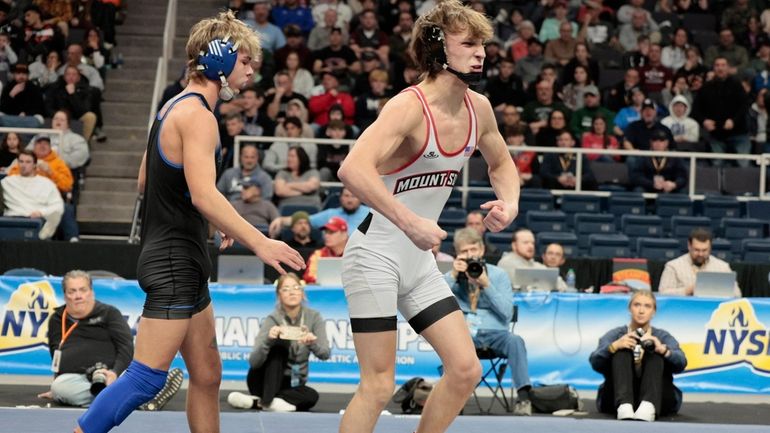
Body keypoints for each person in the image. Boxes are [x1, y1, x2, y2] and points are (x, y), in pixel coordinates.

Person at [74, 12, 305, 433]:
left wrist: (204, 219)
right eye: (246, 60)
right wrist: (259, 242)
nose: (252, 69)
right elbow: (203, 194)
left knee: (207, 375)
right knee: (146, 378)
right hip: (175, 261)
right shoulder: (199, 116)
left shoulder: (174, 106)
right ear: (219, 59)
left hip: (183, 257)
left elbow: (149, 178)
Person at [336, 1, 520, 431]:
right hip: (374, 255)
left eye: (483, 45)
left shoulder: (480, 109)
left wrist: (509, 203)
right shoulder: (409, 107)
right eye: (469, 43)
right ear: (438, 49)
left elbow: (501, 164)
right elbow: (352, 169)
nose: (481, 53)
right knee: (378, 385)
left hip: (417, 264)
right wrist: (410, 221)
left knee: (465, 370)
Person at [38, 270, 184, 410]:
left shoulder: (109, 313)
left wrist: (114, 372)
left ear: (91, 292)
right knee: (60, 387)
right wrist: (57, 390)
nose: (78, 296)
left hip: (112, 375)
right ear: (65, 295)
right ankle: (137, 399)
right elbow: (56, 352)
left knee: (125, 379)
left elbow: (126, 346)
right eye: (72, 291)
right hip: (77, 380)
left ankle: (124, 395)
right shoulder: (57, 319)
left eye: (83, 290)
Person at [444, 228, 532, 415]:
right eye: (464, 251)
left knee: (515, 341)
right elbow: (438, 303)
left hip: (497, 334)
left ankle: (524, 399)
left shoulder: (498, 275)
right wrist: (452, 276)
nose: (470, 255)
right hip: (466, 336)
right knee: (449, 341)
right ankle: (452, 398)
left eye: (473, 250)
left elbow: (507, 314)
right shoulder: (453, 275)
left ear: (482, 250)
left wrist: (486, 284)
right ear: (458, 254)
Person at [227, 273, 330, 412]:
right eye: (286, 289)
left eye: (296, 287)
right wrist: (268, 341)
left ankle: (260, 402)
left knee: (312, 396)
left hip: (292, 385)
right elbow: (254, 362)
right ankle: (272, 402)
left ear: (302, 292)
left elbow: (325, 353)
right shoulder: (273, 319)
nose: (292, 292)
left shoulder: (314, 317)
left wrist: (311, 343)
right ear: (279, 295)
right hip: (263, 380)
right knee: (280, 347)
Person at [589, 290, 687, 422]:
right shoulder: (616, 334)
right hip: (617, 397)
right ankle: (624, 405)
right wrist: (614, 346)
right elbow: (595, 361)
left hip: (657, 397)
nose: (641, 310)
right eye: (637, 305)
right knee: (622, 351)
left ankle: (648, 405)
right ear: (630, 308)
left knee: (655, 353)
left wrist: (663, 350)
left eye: (647, 306)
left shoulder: (662, 336)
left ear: (654, 312)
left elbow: (681, 362)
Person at [658, 228, 741, 297]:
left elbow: (737, 295)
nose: (700, 254)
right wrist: (688, 290)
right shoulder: (673, 266)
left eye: (705, 250)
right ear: (689, 246)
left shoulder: (723, 267)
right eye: (696, 250)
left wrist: (715, 290)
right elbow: (662, 293)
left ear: (710, 247)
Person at [1, 149, 63, 239]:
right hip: (10, 220)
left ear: (34, 164)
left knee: (54, 216)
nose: (23, 165)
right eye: (21, 161)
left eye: (28, 162)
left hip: (34, 219)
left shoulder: (46, 184)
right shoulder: (7, 182)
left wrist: (41, 212)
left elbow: (58, 205)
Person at [269, 186, 369, 238]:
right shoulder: (330, 214)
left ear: (360, 198)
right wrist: (280, 220)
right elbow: (305, 219)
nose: (349, 200)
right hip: (332, 255)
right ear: (341, 198)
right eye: (346, 196)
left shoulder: (369, 213)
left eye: (353, 196)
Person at [497, 229, 567, 292]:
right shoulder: (506, 263)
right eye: (526, 242)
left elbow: (562, 285)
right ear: (514, 246)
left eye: (532, 243)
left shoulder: (534, 264)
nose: (530, 246)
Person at [303, 216, 349, 284]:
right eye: (326, 232)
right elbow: (308, 276)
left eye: (331, 232)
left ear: (344, 235)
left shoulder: (355, 253)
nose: (326, 236)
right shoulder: (318, 254)